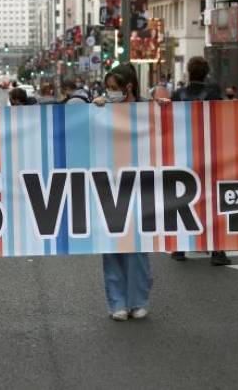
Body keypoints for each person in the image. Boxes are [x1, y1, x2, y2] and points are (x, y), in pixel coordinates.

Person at [99, 69, 152, 321]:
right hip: (109, 183)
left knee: (137, 245)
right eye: (107, 88)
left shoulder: (146, 108)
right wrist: (93, 110)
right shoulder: (102, 109)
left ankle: (138, 300)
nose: (110, 92)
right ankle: (117, 302)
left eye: (113, 87)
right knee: (112, 243)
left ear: (128, 87)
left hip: (141, 183)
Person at [170, 57, 231, 266]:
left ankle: (179, 248)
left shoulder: (178, 95)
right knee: (212, 200)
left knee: (183, 197)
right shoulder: (214, 94)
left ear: (188, 72)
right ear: (206, 72)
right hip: (210, 151)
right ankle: (217, 251)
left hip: (184, 152)